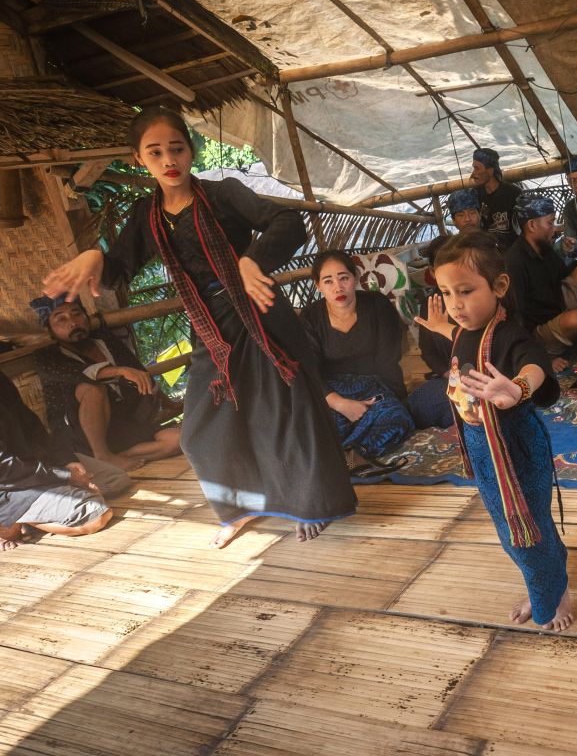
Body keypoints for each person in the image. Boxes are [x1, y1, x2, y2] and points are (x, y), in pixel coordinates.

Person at [42, 107, 357, 549]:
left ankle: (309, 505)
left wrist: (251, 261)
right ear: (139, 159)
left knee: (284, 414)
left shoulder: (223, 194)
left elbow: (288, 222)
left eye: (177, 148)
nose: (169, 159)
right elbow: (117, 269)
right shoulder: (147, 216)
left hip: (258, 312)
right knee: (202, 430)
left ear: (190, 152)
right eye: (156, 152)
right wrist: (96, 257)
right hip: (210, 327)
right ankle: (241, 507)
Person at [414, 230, 573, 631]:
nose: (455, 304)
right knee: (515, 526)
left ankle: (548, 599)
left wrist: (518, 387)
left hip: (516, 451)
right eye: (447, 293)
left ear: (499, 286)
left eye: (465, 291)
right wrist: (439, 328)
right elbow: (460, 338)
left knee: (524, 531)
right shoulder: (467, 332)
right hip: (484, 450)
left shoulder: (510, 336)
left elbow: (535, 363)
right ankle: (556, 582)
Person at [31, 296, 181, 471]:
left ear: (86, 317)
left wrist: (167, 402)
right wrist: (120, 370)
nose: (73, 322)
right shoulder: (46, 357)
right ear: (51, 331)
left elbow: (139, 371)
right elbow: (80, 374)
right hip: (77, 435)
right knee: (93, 388)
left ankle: (119, 457)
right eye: (61, 319)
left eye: (77, 314)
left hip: (119, 424)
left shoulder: (106, 342)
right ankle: (102, 455)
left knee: (175, 440)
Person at [301, 251, 415, 476]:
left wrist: (389, 398)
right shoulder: (311, 317)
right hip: (333, 392)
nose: (338, 287)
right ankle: (341, 453)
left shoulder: (377, 306)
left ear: (356, 277)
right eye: (328, 281)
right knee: (322, 424)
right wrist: (340, 403)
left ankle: (352, 455)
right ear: (318, 286)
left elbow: (387, 361)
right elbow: (310, 369)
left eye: (344, 277)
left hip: (376, 388)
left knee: (397, 418)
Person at [1, 371, 113, 550]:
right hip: (10, 487)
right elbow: (4, 470)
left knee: (115, 479)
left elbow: (34, 430)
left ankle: (33, 512)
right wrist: (65, 476)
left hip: (37, 469)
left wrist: (66, 462)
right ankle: (11, 520)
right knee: (98, 515)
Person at [505, 193, 577, 373]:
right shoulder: (514, 261)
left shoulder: (545, 249)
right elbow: (516, 316)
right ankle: (551, 350)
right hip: (538, 330)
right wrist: (541, 357)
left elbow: (565, 279)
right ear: (531, 225)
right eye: (550, 222)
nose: (554, 229)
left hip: (557, 307)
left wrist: (570, 254)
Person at [408, 235, 455, 429]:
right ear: (433, 272)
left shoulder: (479, 294)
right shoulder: (431, 305)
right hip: (450, 379)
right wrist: (446, 373)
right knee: (418, 404)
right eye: (443, 265)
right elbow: (427, 349)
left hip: (486, 376)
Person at [471, 148, 520, 250]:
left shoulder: (513, 193)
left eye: (477, 168)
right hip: (486, 251)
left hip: (512, 250)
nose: (473, 174)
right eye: (473, 168)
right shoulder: (474, 194)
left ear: (490, 171)